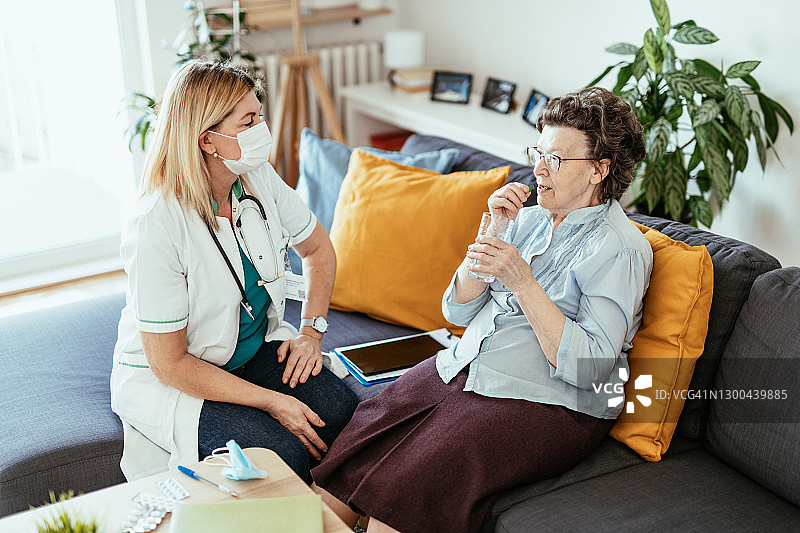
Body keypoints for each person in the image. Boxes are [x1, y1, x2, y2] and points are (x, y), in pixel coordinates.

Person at [310, 86, 653, 533]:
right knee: (355, 450)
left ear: (598, 169)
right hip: (464, 366)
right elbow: (456, 311)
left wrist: (522, 281)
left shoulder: (620, 249)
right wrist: (492, 231)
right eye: (538, 153)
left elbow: (591, 367)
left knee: (408, 490)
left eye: (555, 159)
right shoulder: (527, 219)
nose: (539, 169)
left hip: (549, 402)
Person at [110, 60, 359, 483]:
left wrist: (311, 333)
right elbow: (169, 363)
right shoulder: (155, 222)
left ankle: (340, 510)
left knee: (342, 415)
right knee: (276, 457)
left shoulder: (257, 176)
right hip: (183, 377)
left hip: (252, 351)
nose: (263, 128)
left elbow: (318, 248)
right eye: (249, 121)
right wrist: (272, 402)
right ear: (208, 140)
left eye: (259, 115)